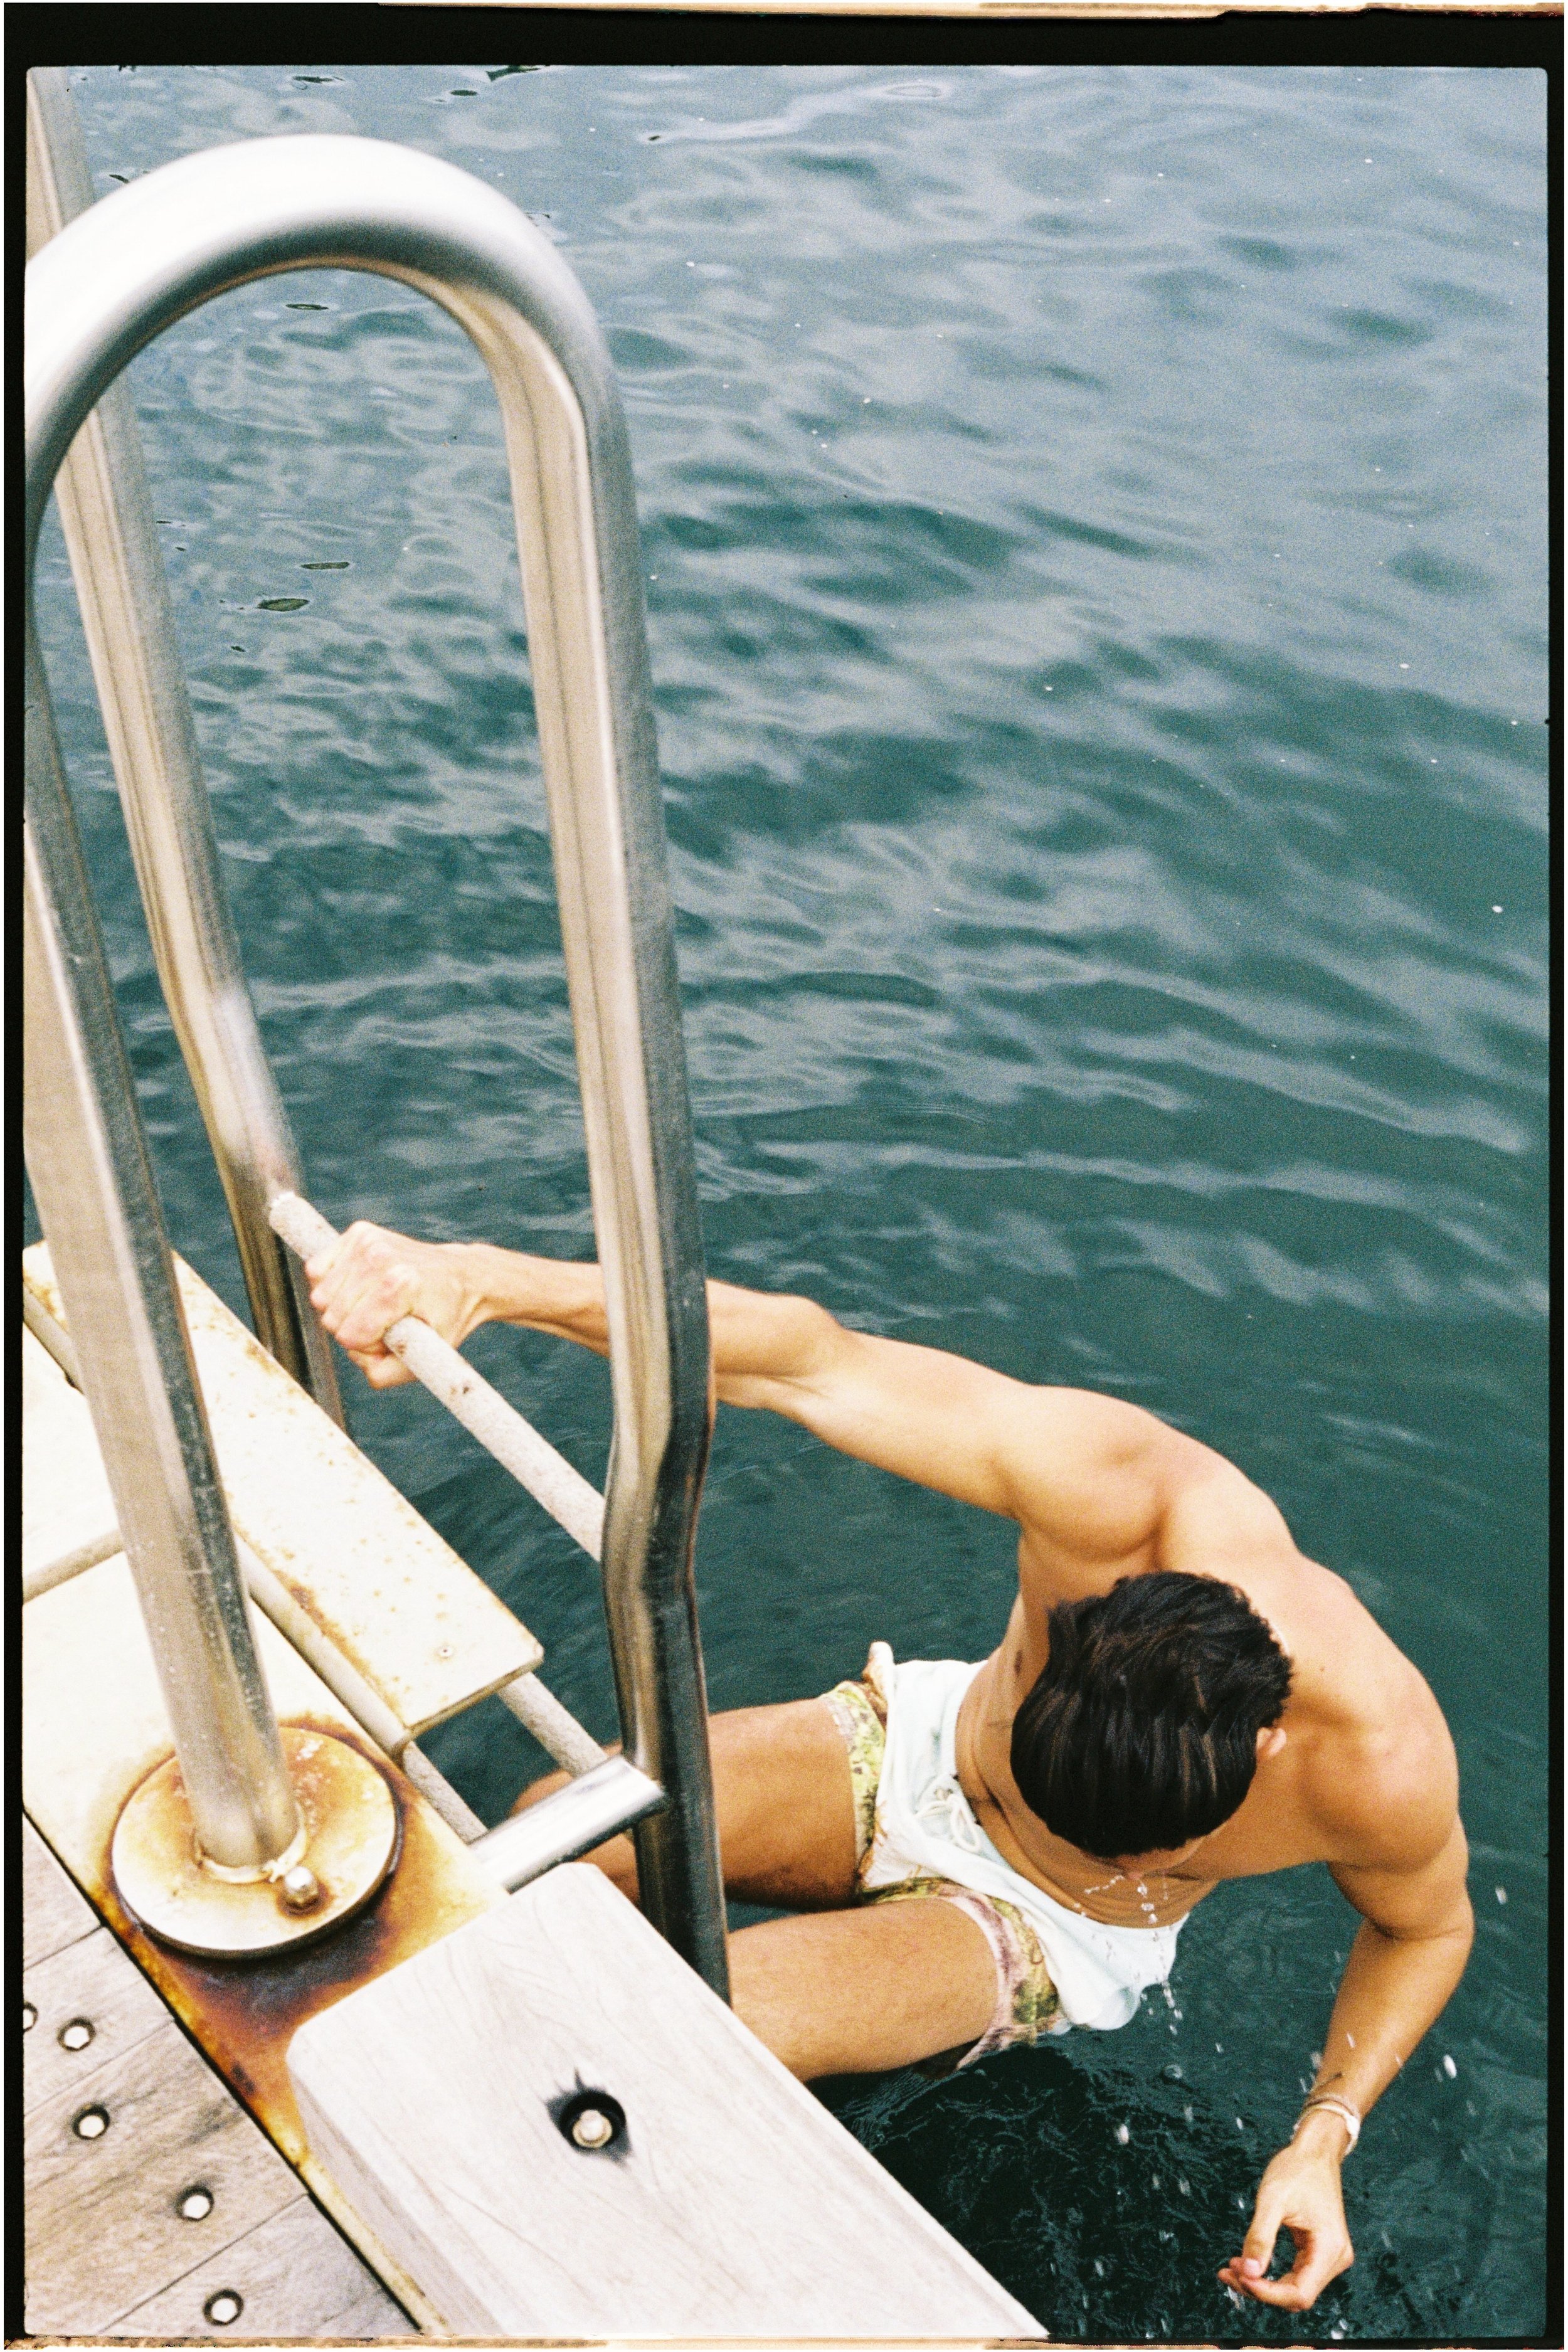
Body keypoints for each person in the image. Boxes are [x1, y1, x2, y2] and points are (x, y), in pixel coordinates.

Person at [306, 1220, 1472, 2316]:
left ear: (1261, 1751)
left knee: (710, 2029)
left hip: (1044, 1922)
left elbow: (1426, 1927)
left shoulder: (1377, 1762)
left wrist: (1324, 2133)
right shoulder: (1112, 1495)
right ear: (1078, 1625)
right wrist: (480, 1278)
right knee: (552, 1832)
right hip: (920, 1747)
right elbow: (806, 1359)